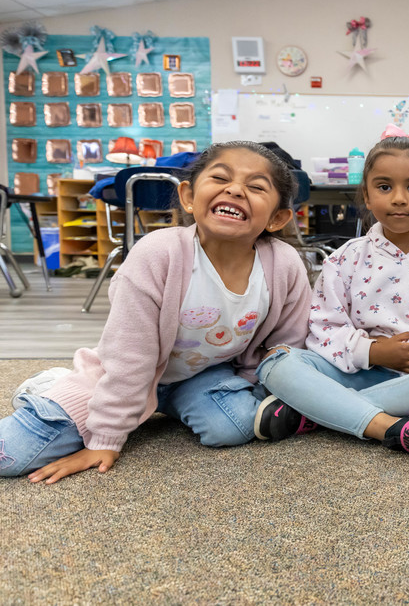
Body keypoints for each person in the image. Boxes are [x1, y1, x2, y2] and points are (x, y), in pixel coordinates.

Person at [2, 141, 312, 483]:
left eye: (255, 187)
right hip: (123, 372)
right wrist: (106, 438)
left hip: (198, 375)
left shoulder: (284, 263)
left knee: (234, 425)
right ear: (188, 197)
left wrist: (257, 385)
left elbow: (286, 345)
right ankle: (53, 385)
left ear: (278, 218)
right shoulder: (158, 254)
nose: (235, 189)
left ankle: (166, 399)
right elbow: (130, 357)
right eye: (221, 177)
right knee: (10, 455)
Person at [255, 126, 409, 465]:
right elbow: (323, 325)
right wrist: (372, 351)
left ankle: (318, 409)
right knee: (276, 363)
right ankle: (391, 426)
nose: (399, 198)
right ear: (368, 196)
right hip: (354, 367)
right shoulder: (347, 256)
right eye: (385, 187)